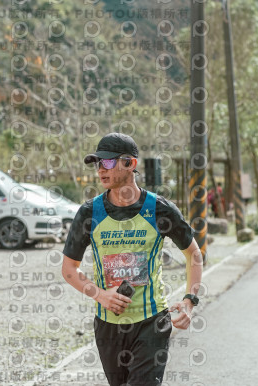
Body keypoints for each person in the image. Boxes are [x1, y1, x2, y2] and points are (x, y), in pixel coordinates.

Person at [61, 133, 203, 386]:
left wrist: (189, 300)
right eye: (97, 163)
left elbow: (194, 254)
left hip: (152, 322)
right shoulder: (89, 212)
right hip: (108, 325)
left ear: (130, 164)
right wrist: (100, 295)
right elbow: (69, 269)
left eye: (107, 162)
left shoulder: (160, 209)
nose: (101, 170)